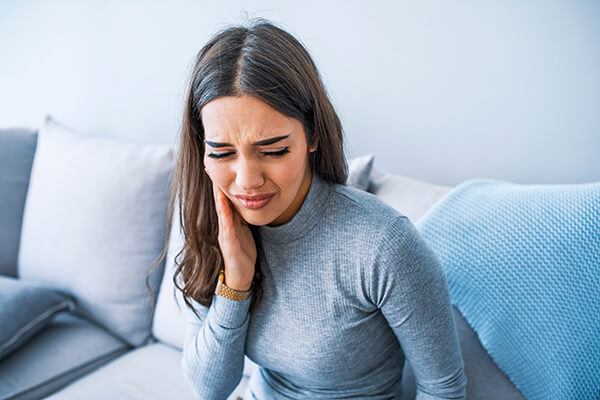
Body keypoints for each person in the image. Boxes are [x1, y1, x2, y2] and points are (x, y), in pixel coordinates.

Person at [152, 17, 467, 400]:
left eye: (272, 150)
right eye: (222, 153)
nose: (246, 180)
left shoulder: (383, 245)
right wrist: (235, 281)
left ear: (313, 135)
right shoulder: (212, 221)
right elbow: (208, 388)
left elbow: (443, 388)